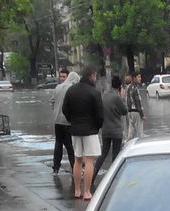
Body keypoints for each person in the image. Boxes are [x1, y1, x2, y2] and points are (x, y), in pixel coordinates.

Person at [63, 66, 104, 201]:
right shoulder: (94, 92)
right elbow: (100, 115)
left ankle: (77, 190)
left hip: (75, 130)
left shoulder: (71, 91)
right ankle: (87, 192)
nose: (95, 78)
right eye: (95, 76)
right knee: (89, 161)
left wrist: (72, 120)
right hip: (90, 130)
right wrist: (97, 126)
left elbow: (65, 110)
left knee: (78, 160)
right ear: (91, 76)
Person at [93, 75, 128, 184]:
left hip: (105, 130)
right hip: (116, 130)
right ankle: (113, 180)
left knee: (103, 153)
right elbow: (124, 111)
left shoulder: (105, 95)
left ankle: (93, 176)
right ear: (120, 87)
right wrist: (122, 97)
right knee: (116, 155)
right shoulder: (117, 97)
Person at [51, 68, 77, 173]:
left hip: (57, 120)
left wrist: (55, 112)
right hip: (67, 121)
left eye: (64, 77)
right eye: (61, 76)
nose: (62, 79)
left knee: (58, 143)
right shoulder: (72, 88)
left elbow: (52, 102)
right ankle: (74, 167)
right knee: (70, 145)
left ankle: (56, 167)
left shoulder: (57, 87)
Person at [125, 72, 145, 140]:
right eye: (138, 77)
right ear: (134, 78)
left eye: (140, 77)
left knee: (130, 134)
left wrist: (129, 111)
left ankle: (127, 144)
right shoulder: (135, 88)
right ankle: (141, 145)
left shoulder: (129, 87)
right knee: (140, 134)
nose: (140, 78)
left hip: (130, 112)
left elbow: (128, 100)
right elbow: (138, 102)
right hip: (136, 112)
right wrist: (142, 114)